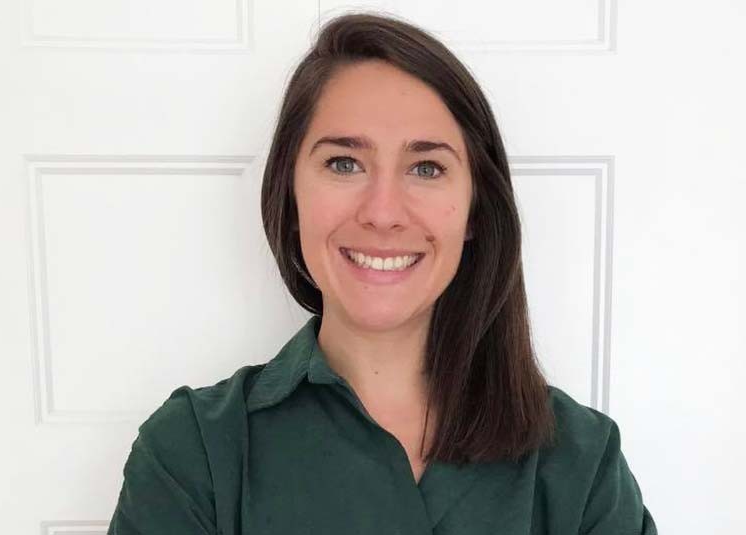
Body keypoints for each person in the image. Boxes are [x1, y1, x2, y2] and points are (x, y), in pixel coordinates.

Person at [107, 12, 658, 535]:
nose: (383, 211)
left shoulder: (582, 462)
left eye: (426, 168)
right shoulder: (193, 452)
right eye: (344, 163)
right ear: (290, 192)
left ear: (474, 212)